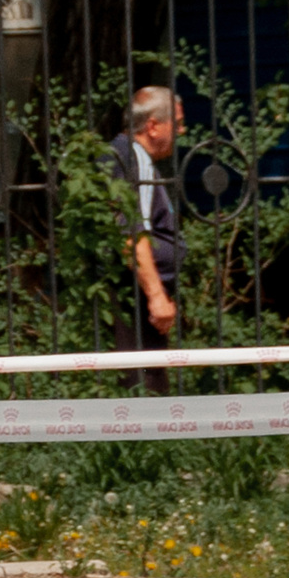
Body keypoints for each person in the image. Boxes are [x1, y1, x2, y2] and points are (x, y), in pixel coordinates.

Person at [107, 86, 183, 390]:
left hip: (135, 297)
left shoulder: (131, 157)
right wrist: (156, 296)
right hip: (133, 300)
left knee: (147, 384)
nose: (182, 131)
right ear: (153, 126)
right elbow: (132, 235)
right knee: (143, 388)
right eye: (177, 123)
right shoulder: (132, 160)